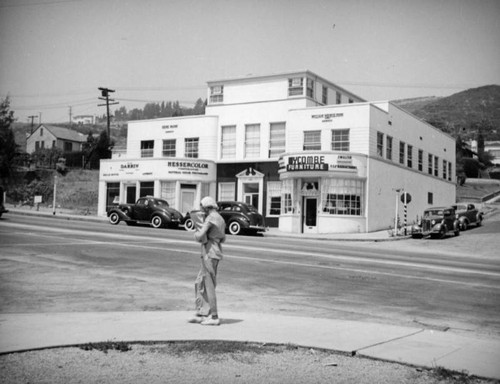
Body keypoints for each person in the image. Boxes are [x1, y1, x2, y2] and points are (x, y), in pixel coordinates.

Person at [188, 196, 226, 326]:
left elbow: (200, 236)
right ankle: (202, 313)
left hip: (209, 253)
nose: (201, 210)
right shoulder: (220, 218)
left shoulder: (211, 218)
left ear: (207, 207)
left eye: (202, 207)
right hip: (214, 251)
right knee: (200, 282)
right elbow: (223, 238)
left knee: (209, 285)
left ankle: (214, 316)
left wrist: (196, 233)